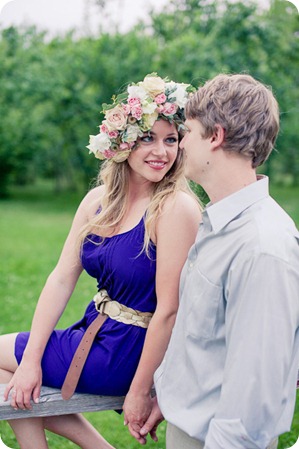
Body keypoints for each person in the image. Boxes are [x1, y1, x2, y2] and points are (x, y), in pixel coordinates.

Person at [0, 73, 202, 449]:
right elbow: (62, 278)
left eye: (171, 139)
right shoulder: (98, 200)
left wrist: (141, 390)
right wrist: (30, 361)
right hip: (95, 332)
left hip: (133, 350)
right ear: (122, 142)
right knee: (15, 375)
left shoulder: (174, 207)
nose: (162, 151)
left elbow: (169, 311)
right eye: (148, 138)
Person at [136, 73, 299, 449]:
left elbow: (253, 400)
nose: (181, 144)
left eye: (186, 131)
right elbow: (208, 337)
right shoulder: (217, 221)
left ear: (216, 136)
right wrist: (175, 398)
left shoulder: (262, 247)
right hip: (189, 425)